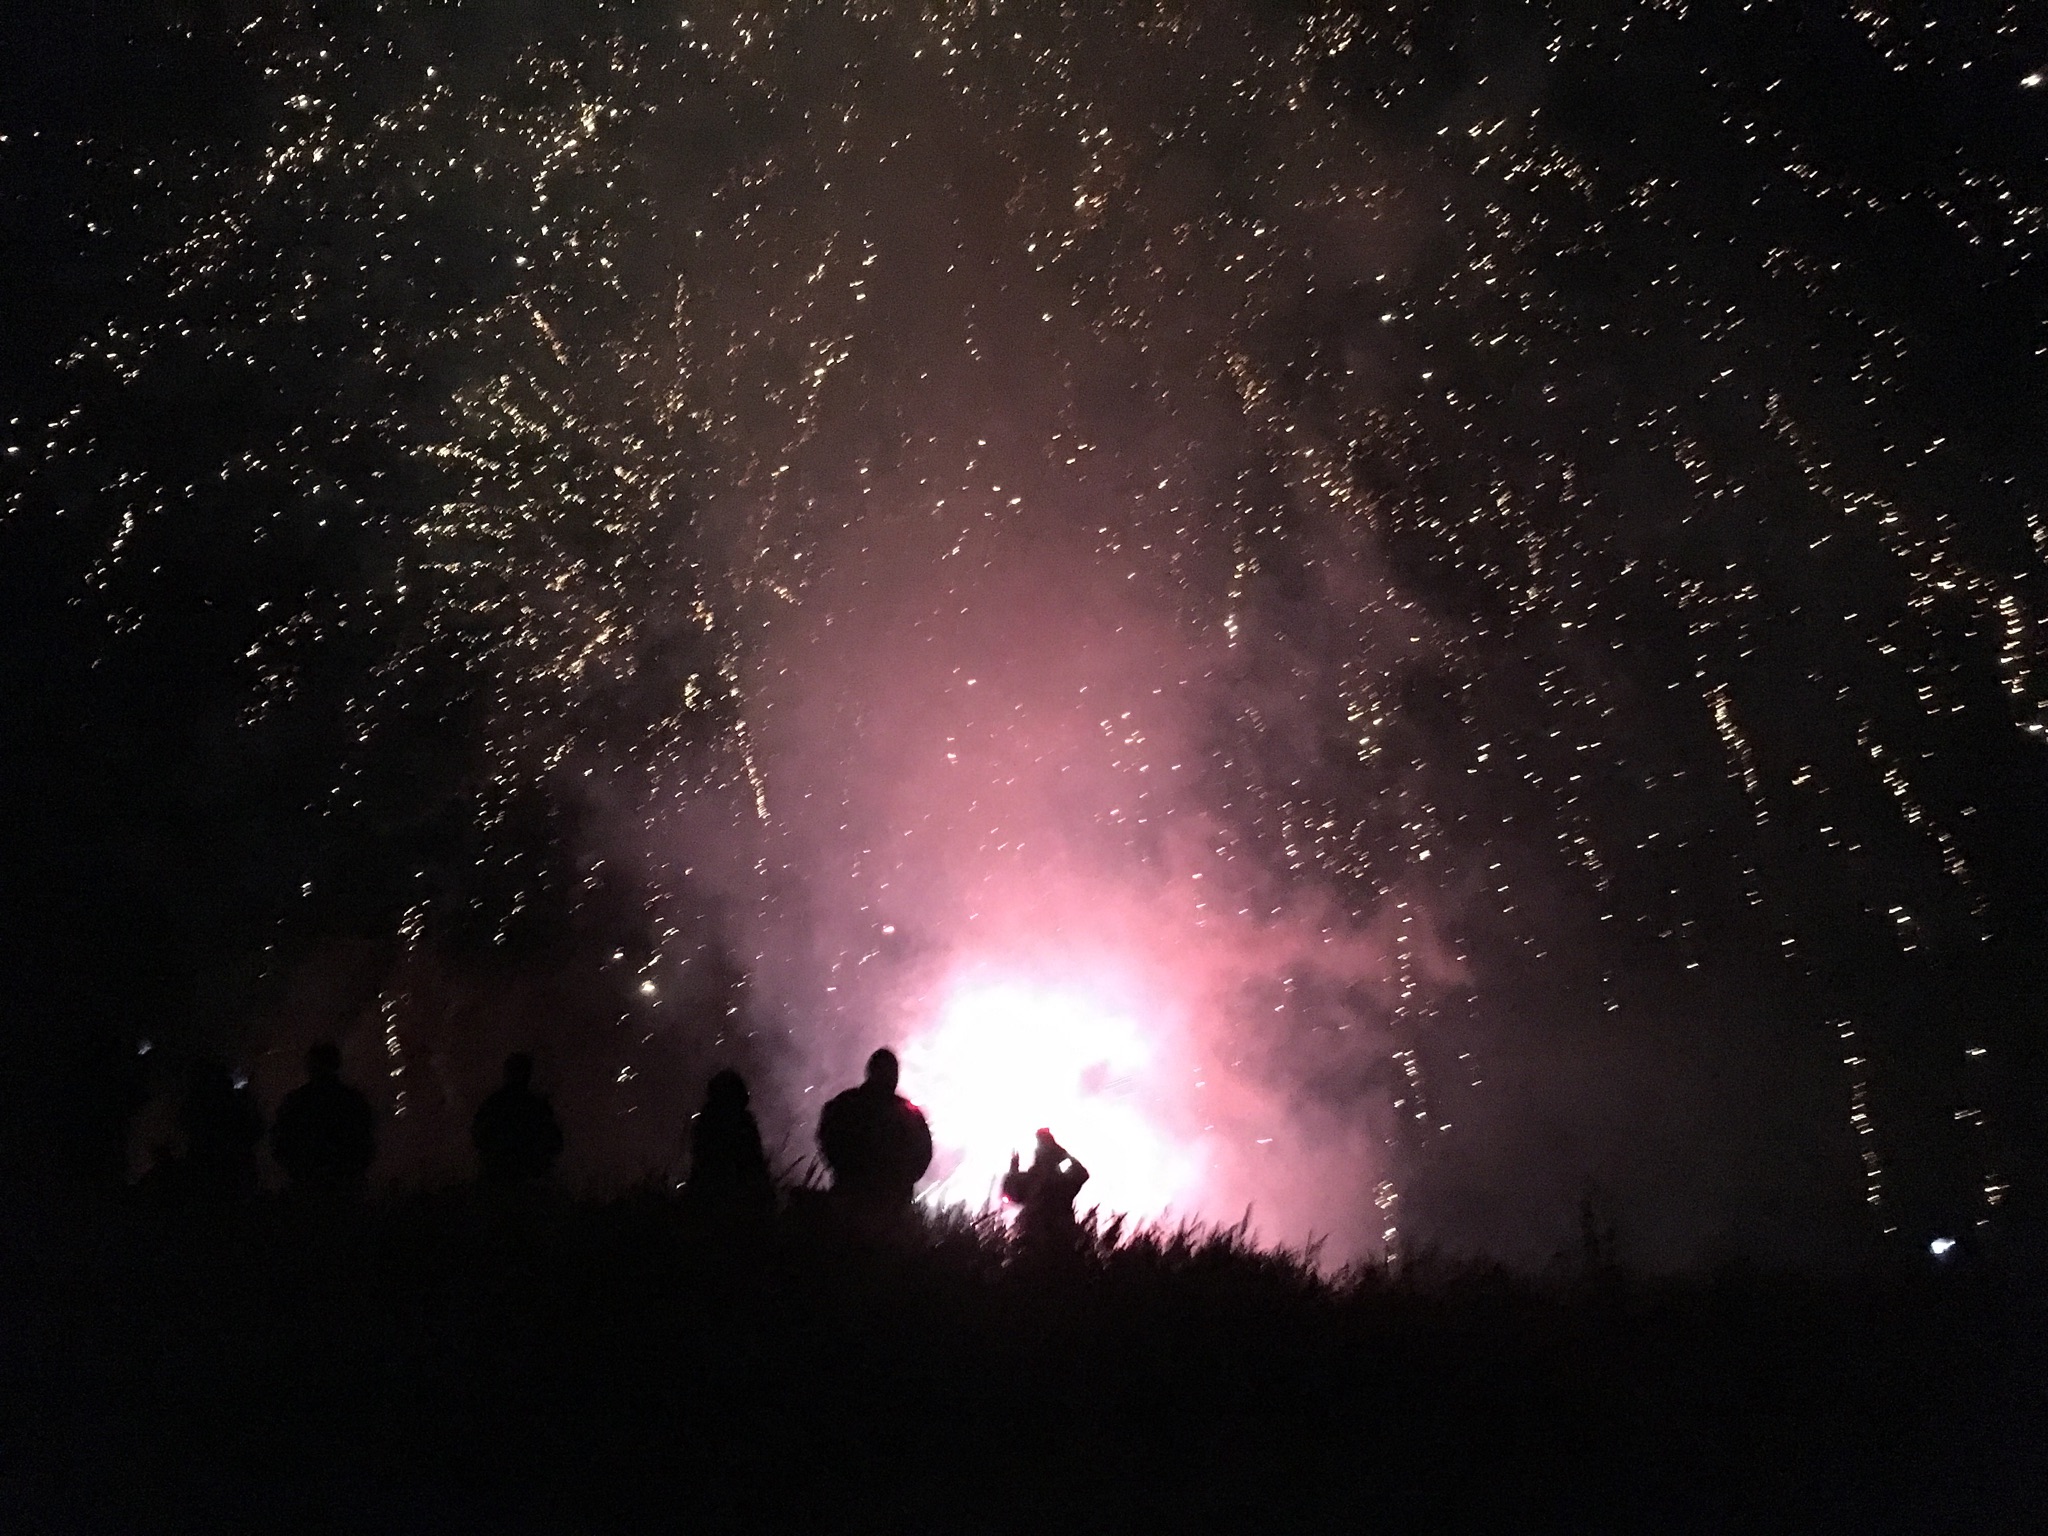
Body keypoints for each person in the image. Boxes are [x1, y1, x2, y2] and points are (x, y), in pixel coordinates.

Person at [817, 1048, 932, 1223]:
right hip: (892, 1207)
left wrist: (843, 1170)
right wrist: (901, 1182)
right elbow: (923, 1155)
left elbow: (826, 1136)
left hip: (849, 1198)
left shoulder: (846, 1104)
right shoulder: (909, 1115)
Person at [271, 1041, 376, 1193]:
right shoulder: (352, 1100)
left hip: (307, 1184)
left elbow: (280, 1141)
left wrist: (297, 1169)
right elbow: (365, 1140)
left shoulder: (296, 1102)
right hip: (345, 1183)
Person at [681, 1069, 775, 1231]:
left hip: (710, 1205)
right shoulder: (743, 1125)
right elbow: (754, 1165)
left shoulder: (705, 1124)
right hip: (739, 1206)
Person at [471, 1052, 564, 1185]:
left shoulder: (495, 1103)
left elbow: (479, 1134)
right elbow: (554, 1142)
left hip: (502, 1177)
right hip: (524, 1178)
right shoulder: (536, 1106)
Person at [178, 1057, 264, 1199]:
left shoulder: (194, 1110)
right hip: (235, 1177)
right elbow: (254, 1130)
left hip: (205, 1176)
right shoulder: (234, 1108)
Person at [1001, 1128, 1090, 1252]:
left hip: (1041, 1238)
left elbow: (1011, 1189)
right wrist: (1062, 1154)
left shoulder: (1053, 1181)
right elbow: (1082, 1174)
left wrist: (1014, 1167)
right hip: (1050, 1239)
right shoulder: (1058, 1181)